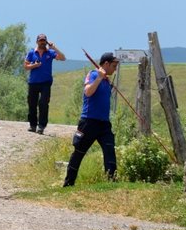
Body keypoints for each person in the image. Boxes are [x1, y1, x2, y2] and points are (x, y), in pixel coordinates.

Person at [63, 52, 120, 187]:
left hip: (104, 123)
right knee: (79, 152)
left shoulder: (107, 80)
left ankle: (111, 182)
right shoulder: (93, 75)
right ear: (106, 64)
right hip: (89, 121)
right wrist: (99, 78)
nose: (115, 69)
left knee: (109, 150)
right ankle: (68, 183)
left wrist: (105, 80)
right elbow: (88, 92)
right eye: (113, 65)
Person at [24, 33, 65, 134]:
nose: (42, 42)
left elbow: (63, 58)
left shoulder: (50, 52)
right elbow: (26, 66)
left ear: (46, 42)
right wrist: (34, 65)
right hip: (33, 82)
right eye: (40, 40)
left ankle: (41, 126)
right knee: (32, 104)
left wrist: (54, 47)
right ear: (37, 41)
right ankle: (33, 125)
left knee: (43, 103)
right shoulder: (31, 52)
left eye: (44, 41)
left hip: (46, 82)